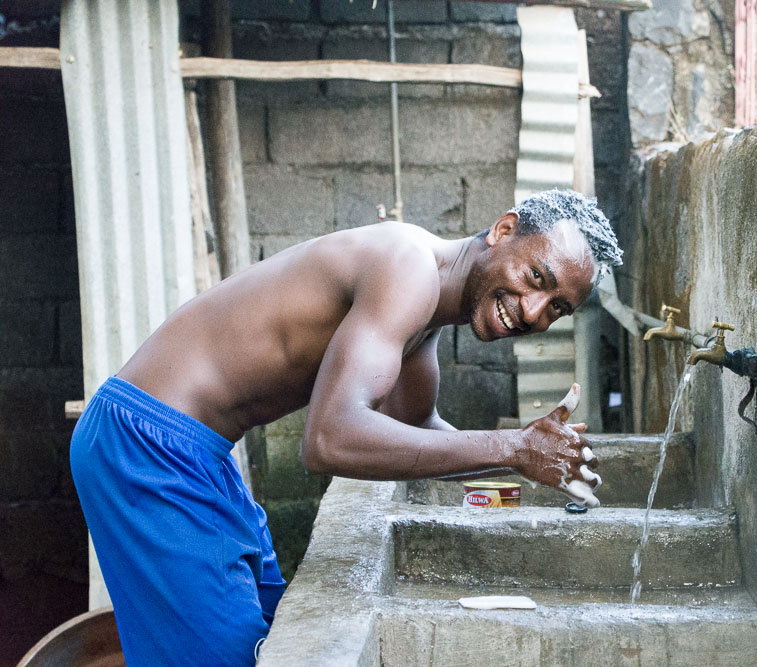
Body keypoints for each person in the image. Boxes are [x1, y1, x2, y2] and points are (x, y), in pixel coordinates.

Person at [69, 189, 623, 665]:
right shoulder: (407, 268)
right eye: (536, 277)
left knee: (270, 631)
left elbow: (415, 429)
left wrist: (527, 468)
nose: (533, 311)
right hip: (146, 443)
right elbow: (330, 439)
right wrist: (515, 447)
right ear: (503, 231)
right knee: (231, 656)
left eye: (557, 308)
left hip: (197, 452)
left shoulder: (427, 314)